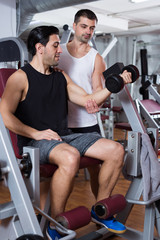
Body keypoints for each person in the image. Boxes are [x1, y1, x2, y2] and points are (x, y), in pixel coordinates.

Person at [0, 26, 131, 240]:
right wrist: (35, 133)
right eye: (55, 46)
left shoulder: (61, 76)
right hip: (34, 142)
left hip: (63, 136)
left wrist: (115, 84)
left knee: (116, 149)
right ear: (39, 48)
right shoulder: (20, 78)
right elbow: (5, 115)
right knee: (70, 156)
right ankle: (55, 223)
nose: (60, 50)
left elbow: (88, 100)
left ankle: (100, 211)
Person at [58, 9, 105, 198]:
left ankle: (101, 211)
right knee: (63, 172)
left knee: (95, 169)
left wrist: (98, 104)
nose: (88, 31)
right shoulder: (58, 52)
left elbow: (98, 89)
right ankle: (54, 217)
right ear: (75, 26)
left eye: (92, 28)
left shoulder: (96, 57)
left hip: (87, 123)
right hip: (61, 123)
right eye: (84, 26)